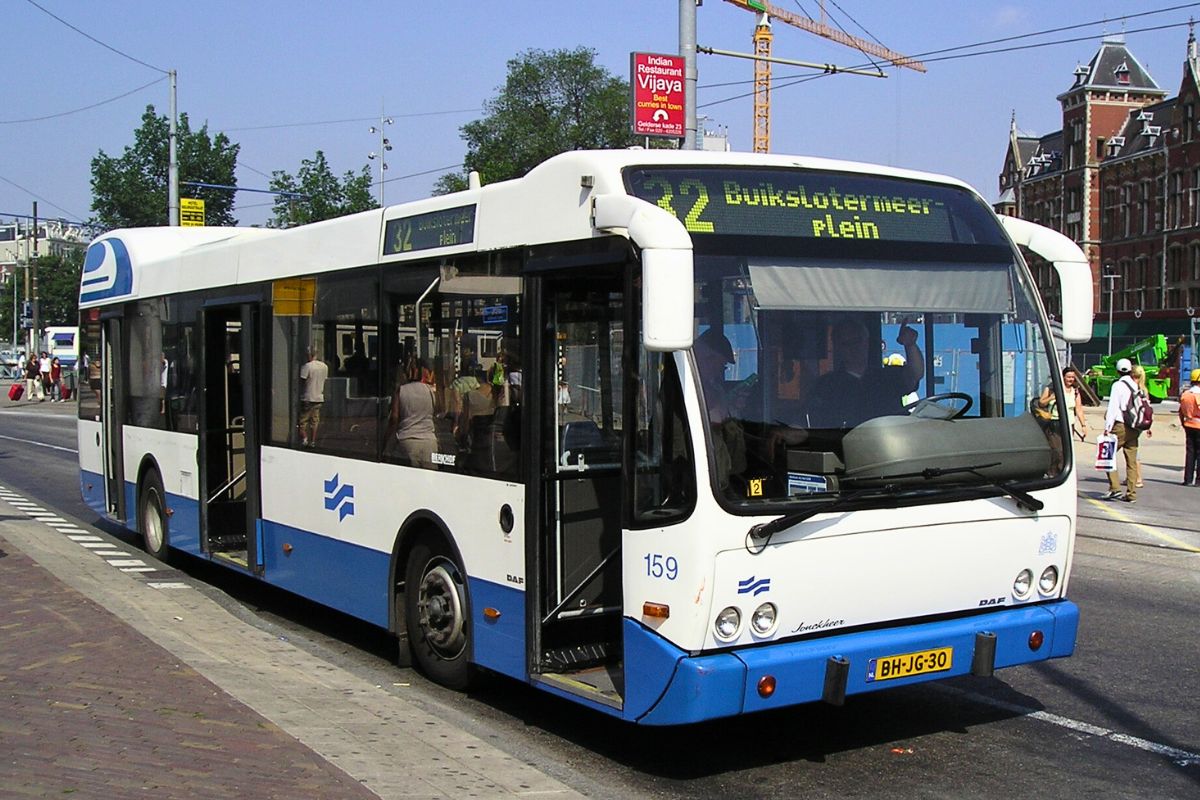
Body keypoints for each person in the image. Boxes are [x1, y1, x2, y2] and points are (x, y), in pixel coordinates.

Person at [806, 318, 925, 428]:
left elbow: (916, 374)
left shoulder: (887, 376)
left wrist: (910, 345)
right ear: (838, 348)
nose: (853, 348)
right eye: (846, 344)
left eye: (857, 341)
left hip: (891, 444)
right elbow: (817, 423)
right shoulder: (826, 386)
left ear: (866, 342)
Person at [694, 327, 747, 492]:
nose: (720, 371)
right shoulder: (684, 389)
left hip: (724, 474)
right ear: (708, 358)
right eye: (721, 365)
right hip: (699, 480)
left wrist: (735, 408)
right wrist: (722, 410)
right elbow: (711, 420)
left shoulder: (714, 387)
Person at [385, 362, 438, 469]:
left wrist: (385, 442)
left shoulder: (401, 390)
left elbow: (394, 418)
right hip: (430, 442)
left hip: (407, 440)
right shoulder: (430, 390)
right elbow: (435, 412)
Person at [1102, 357, 1141, 502]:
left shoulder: (1117, 385)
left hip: (1120, 425)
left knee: (1107, 455)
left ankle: (1115, 487)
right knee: (1131, 462)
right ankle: (1131, 493)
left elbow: (1113, 408)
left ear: (1118, 370)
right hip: (1134, 427)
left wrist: (1107, 427)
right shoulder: (1135, 385)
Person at [1038, 367, 1088, 475]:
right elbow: (1041, 403)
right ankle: (1053, 473)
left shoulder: (1075, 391)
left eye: (1073, 378)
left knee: (1066, 451)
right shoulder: (1052, 388)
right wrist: (1051, 398)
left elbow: (1078, 409)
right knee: (1057, 450)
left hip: (1069, 425)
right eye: (1068, 377)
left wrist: (1083, 425)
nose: (1071, 380)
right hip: (1055, 423)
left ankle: (1061, 473)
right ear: (1063, 377)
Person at [297, 346, 328, 447]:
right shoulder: (324, 366)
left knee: (303, 420)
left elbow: (302, 380)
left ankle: (304, 438)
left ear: (309, 355)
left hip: (307, 396)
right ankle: (313, 441)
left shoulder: (307, 366)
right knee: (315, 421)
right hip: (319, 397)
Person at [1179, 367, 1200, 486]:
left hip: (1189, 424)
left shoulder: (1186, 394)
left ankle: (1187, 479)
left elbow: (1180, 411)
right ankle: (1198, 481)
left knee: (1190, 452)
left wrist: (1183, 423)